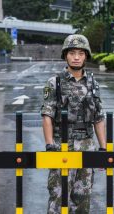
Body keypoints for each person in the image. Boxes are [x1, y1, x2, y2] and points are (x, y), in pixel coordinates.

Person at [40, 34, 106, 214]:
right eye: (72, 53)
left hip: (86, 145)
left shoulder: (93, 83)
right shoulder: (56, 82)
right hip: (63, 144)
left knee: (83, 197)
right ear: (65, 56)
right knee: (58, 197)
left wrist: (103, 148)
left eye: (80, 53)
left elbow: (98, 117)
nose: (76, 57)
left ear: (86, 56)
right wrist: (49, 145)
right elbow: (47, 115)